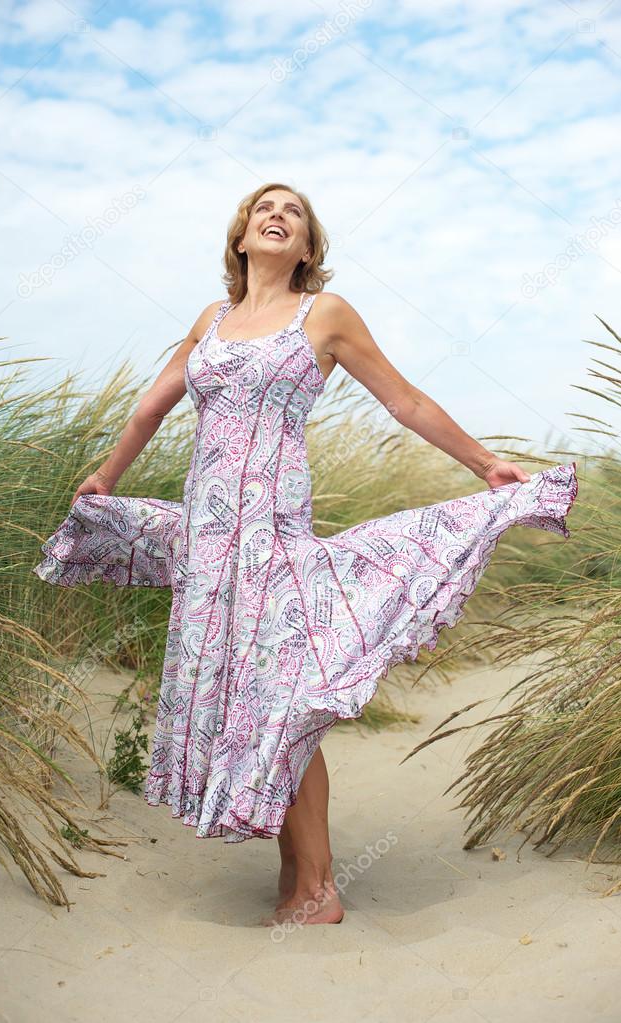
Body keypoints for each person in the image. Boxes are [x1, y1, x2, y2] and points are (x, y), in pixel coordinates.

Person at [33, 182, 578, 928]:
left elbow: (404, 401)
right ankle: (296, 870)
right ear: (241, 236)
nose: (277, 214)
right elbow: (150, 406)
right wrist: (106, 476)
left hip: (272, 535)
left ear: (309, 247)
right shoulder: (212, 320)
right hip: (208, 543)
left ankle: (318, 888)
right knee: (250, 700)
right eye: (265, 208)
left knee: (280, 701)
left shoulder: (321, 313)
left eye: (293, 212)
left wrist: (484, 463)